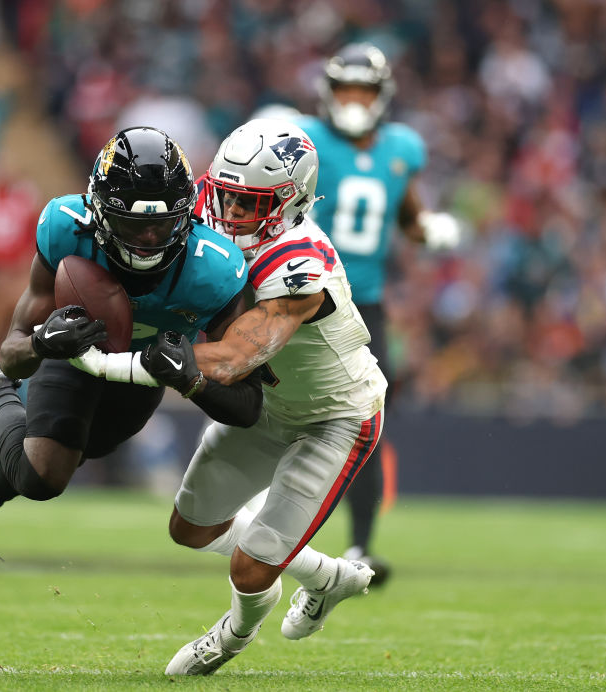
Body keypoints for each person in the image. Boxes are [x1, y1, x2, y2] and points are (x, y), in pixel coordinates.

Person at [73, 118, 387, 675]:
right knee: (189, 528)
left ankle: (231, 636)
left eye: (250, 203)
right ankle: (325, 576)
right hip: (268, 410)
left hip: (334, 417)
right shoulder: (201, 205)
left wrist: (107, 363)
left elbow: (239, 355)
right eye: (228, 196)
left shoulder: (299, 259)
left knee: (249, 569)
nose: (232, 214)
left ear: (291, 202)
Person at [0, 126, 262, 592]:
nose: (146, 239)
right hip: (76, 355)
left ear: (185, 218)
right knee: (45, 475)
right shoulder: (65, 226)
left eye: (160, 224)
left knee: (90, 448)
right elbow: (15, 348)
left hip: (144, 371)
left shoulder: (216, 269)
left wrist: (192, 381)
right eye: (131, 223)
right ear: (99, 213)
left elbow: (248, 405)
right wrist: (45, 343)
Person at [293, 43, 461, 581]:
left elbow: (406, 211)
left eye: (363, 91)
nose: (354, 101)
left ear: (383, 96)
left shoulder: (402, 149)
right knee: (275, 413)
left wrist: (426, 229)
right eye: (346, 91)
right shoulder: (306, 141)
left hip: (363, 306)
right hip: (296, 293)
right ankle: (253, 529)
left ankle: (360, 547)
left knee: (367, 424)